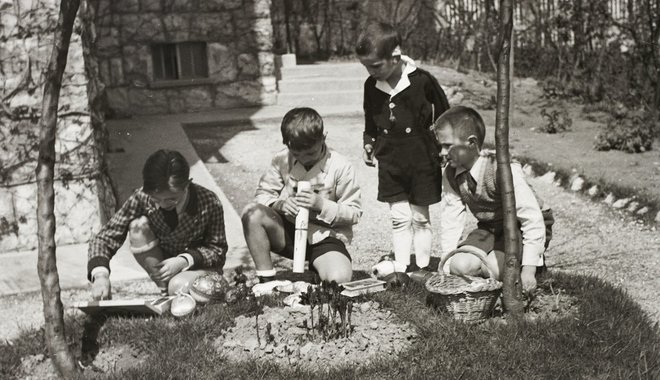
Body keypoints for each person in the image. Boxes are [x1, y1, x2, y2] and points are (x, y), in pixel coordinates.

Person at [356, 22, 449, 272]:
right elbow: (370, 118)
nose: (371, 71)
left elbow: (445, 114)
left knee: (420, 217)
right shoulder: (371, 86)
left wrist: (444, 146)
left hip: (421, 158)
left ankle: (421, 267)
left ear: (395, 57)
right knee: (399, 217)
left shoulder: (422, 81)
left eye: (375, 66)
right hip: (390, 160)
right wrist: (369, 143)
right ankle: (401, 267)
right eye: (366, 66)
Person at [432, 106, 552, 293]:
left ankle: (533, 258)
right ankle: (491, 262)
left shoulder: (502, 169)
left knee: (495, 268)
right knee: (460, 266)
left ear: (471, 142)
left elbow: (531, 218)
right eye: (440, 145)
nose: (441, 152)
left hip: (520, 225)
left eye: (447, 146)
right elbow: (451, 219)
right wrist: (446, 266)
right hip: (490, 226)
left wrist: (529, 269)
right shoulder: (451, 174)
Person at [241, 107, 362, 284]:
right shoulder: (282, 159)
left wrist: (321, 204)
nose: (304, 159)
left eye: (311, 153)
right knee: (252, 213)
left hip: (325, 237)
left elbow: (354, 213)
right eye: (297, 154)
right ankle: (267, 281)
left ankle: (320, 266)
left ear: (323, 138)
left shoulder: (341, 166)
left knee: (339, 279)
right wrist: (279, 205)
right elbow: (262, 195)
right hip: (290, 232)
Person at [88, 149, 227, 299]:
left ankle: (177, 291)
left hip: (200, 269)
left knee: (178, 285)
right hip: (165, 270)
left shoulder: (208, 201)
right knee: (137, 226)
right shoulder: (141, 198)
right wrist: (100, 275)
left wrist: (184, 260)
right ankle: (165, 290)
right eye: (155, 199)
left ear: (187, 184)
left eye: (171, 199)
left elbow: (217, 250)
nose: (162, 205)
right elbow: (105, 237)